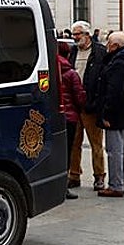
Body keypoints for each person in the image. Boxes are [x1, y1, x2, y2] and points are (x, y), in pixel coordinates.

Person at [93, 31, 124, 197]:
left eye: (108, 44)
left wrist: (107, 115)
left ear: (115, 46)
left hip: (116, 115)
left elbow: (114, 92)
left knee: (115, 151)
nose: (106, 47)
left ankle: (116, 185)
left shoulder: (117, 64)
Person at [68, 21, 107, 191]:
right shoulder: (73, 52)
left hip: (91, 105)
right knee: (74, 143)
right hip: (75, 105)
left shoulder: (100, 52)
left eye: (78, 34)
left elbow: (104, 79)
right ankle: (74, 175)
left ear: (87, 34)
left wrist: (98, 103)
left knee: (96, 144)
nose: (75, 37)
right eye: (74, 34)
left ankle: (99, 176)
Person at [57, 41, 86, 200]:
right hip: (70, 116)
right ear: (68, 54)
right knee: (67, 151)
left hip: (54, 116)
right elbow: (79, 95)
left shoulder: (51, 70)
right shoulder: (70, 73)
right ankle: (64, 185)